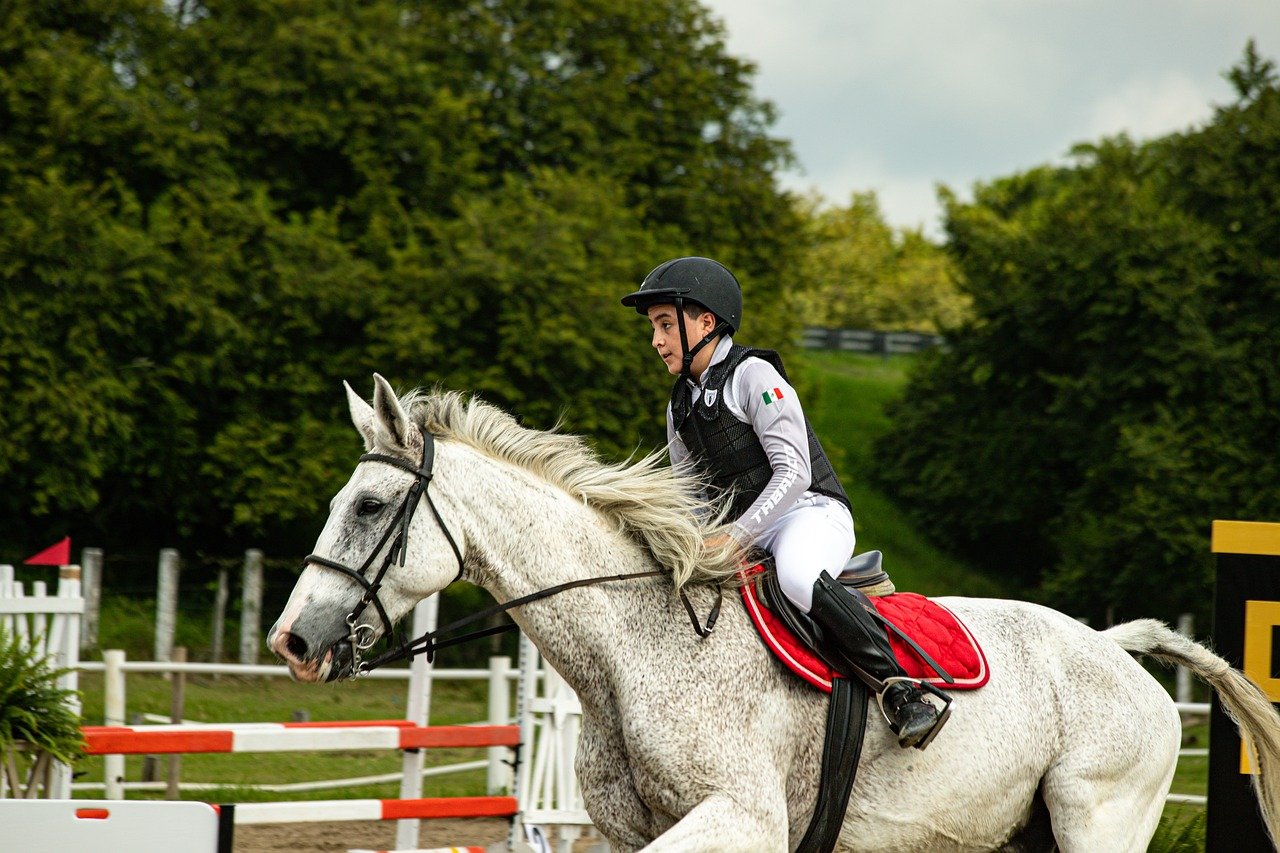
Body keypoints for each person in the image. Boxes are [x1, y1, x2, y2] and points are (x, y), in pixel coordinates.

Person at [621, 256, 945, 749]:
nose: (656, 341)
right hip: (745, 531)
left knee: (795, 575)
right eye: (653, 327)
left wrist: (735, 535)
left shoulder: (754, 376)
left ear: (706, 323)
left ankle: (902, 689)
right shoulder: (679, 404)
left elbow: (793, 473)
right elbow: (688, 495)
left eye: (666, 325)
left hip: (809, 514)